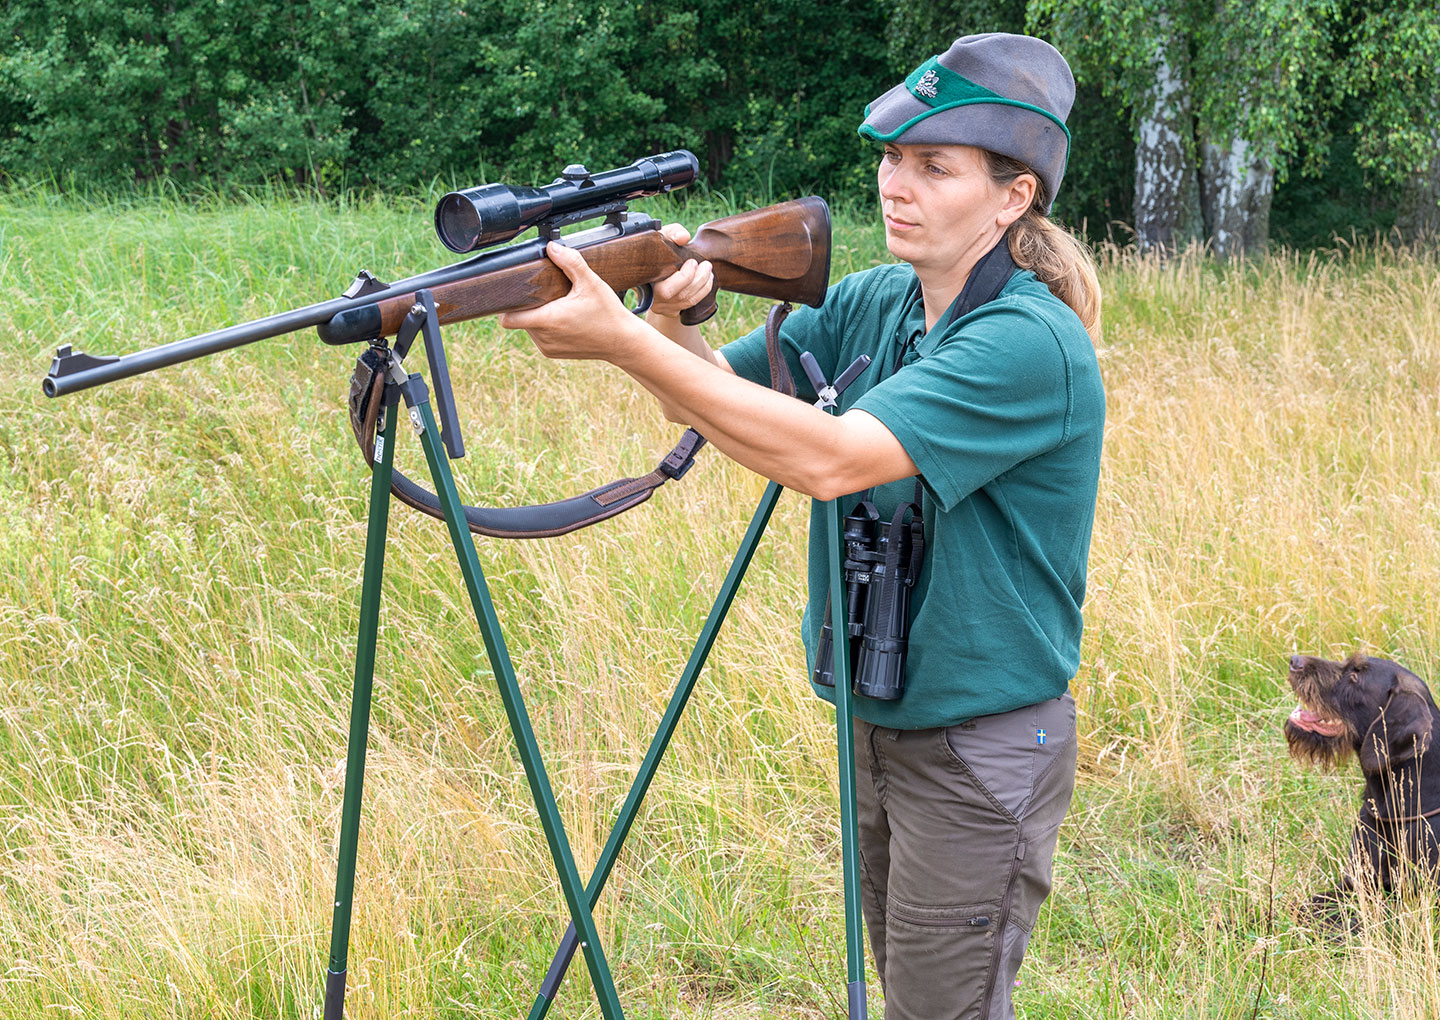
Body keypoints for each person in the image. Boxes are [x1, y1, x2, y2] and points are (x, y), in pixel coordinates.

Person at [499, 32, 1104, 1020]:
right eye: (893, 158)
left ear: (1013, 196)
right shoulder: (879, 302)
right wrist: (665, 318)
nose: (894, 185)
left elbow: (829, 459)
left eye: (934, 167)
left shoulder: (1029, 343)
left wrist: (618, 337)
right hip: (881, 718)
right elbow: (705, 398)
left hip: (977, 745)